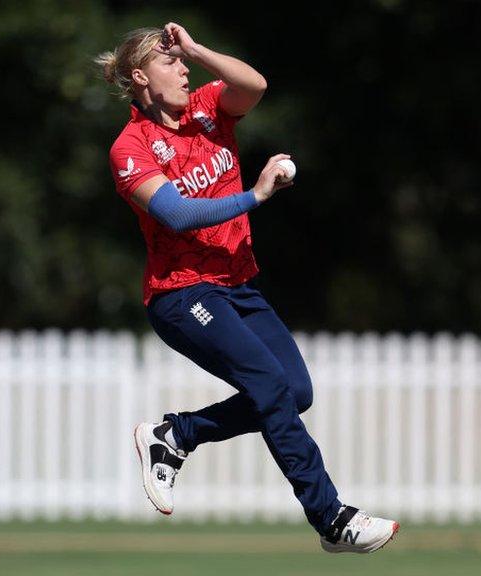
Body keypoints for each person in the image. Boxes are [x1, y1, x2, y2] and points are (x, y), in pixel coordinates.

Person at [95, 23, 399, 553]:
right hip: (183, 295)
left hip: (239, 283)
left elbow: (253, 86)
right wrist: (256, 195)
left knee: (294, 392)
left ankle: (176, 436)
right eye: (171, 63)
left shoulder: (206, 107)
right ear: (141, 77)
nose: (185, 70)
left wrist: (195, 48)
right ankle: (331, 517)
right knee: (268, 385)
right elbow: (177, 213)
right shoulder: (131, 146)